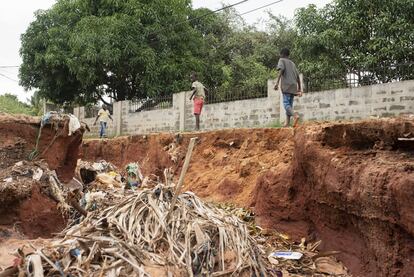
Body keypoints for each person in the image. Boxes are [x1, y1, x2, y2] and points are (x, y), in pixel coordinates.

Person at [274, 48, 302, 127]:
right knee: (289, 105)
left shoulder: (281, 60)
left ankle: (295, 116)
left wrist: (277, 83)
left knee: (286, 104)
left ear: (282, 54)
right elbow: (298, 77)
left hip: (286, 86)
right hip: (293, 86)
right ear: (288, 55)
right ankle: (287, 123)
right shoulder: (293, 63)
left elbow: (281, 70)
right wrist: (299, 88)